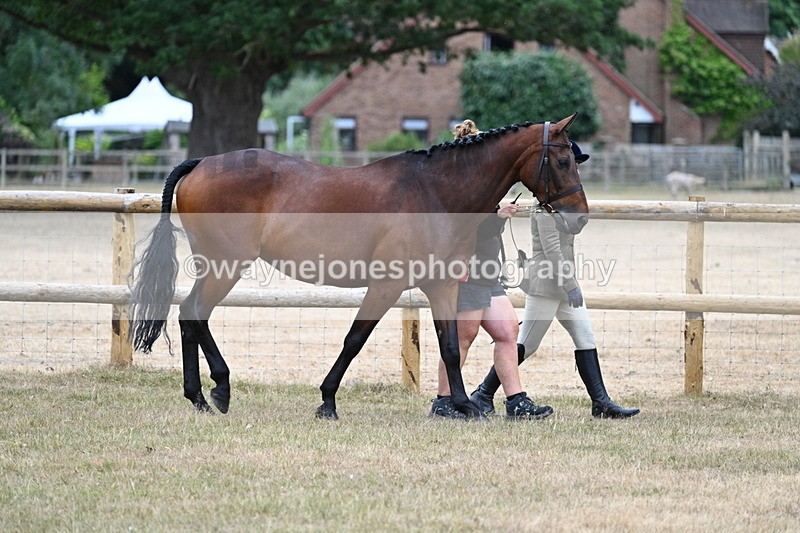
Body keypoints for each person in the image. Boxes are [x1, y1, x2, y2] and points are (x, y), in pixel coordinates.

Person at [469, 141, 640, 419]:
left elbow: (575, 226)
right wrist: (571, 285)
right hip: (548, 284)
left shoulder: (561, 203)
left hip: (562, 284)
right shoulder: (545, 207)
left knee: (584, 336)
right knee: (527, 343)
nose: (577, 171)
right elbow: (552, 251)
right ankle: (483, 393)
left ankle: (601, 403)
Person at [430, 120, 553, 420]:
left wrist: (498, 212)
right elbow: (468, 229)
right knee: (462, 337)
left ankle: (516, 402)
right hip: (467, 273)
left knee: (507, 331)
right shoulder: (459, 186)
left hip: (487, 274)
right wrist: (497, 216)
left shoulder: (484, 184)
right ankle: (444, 401)